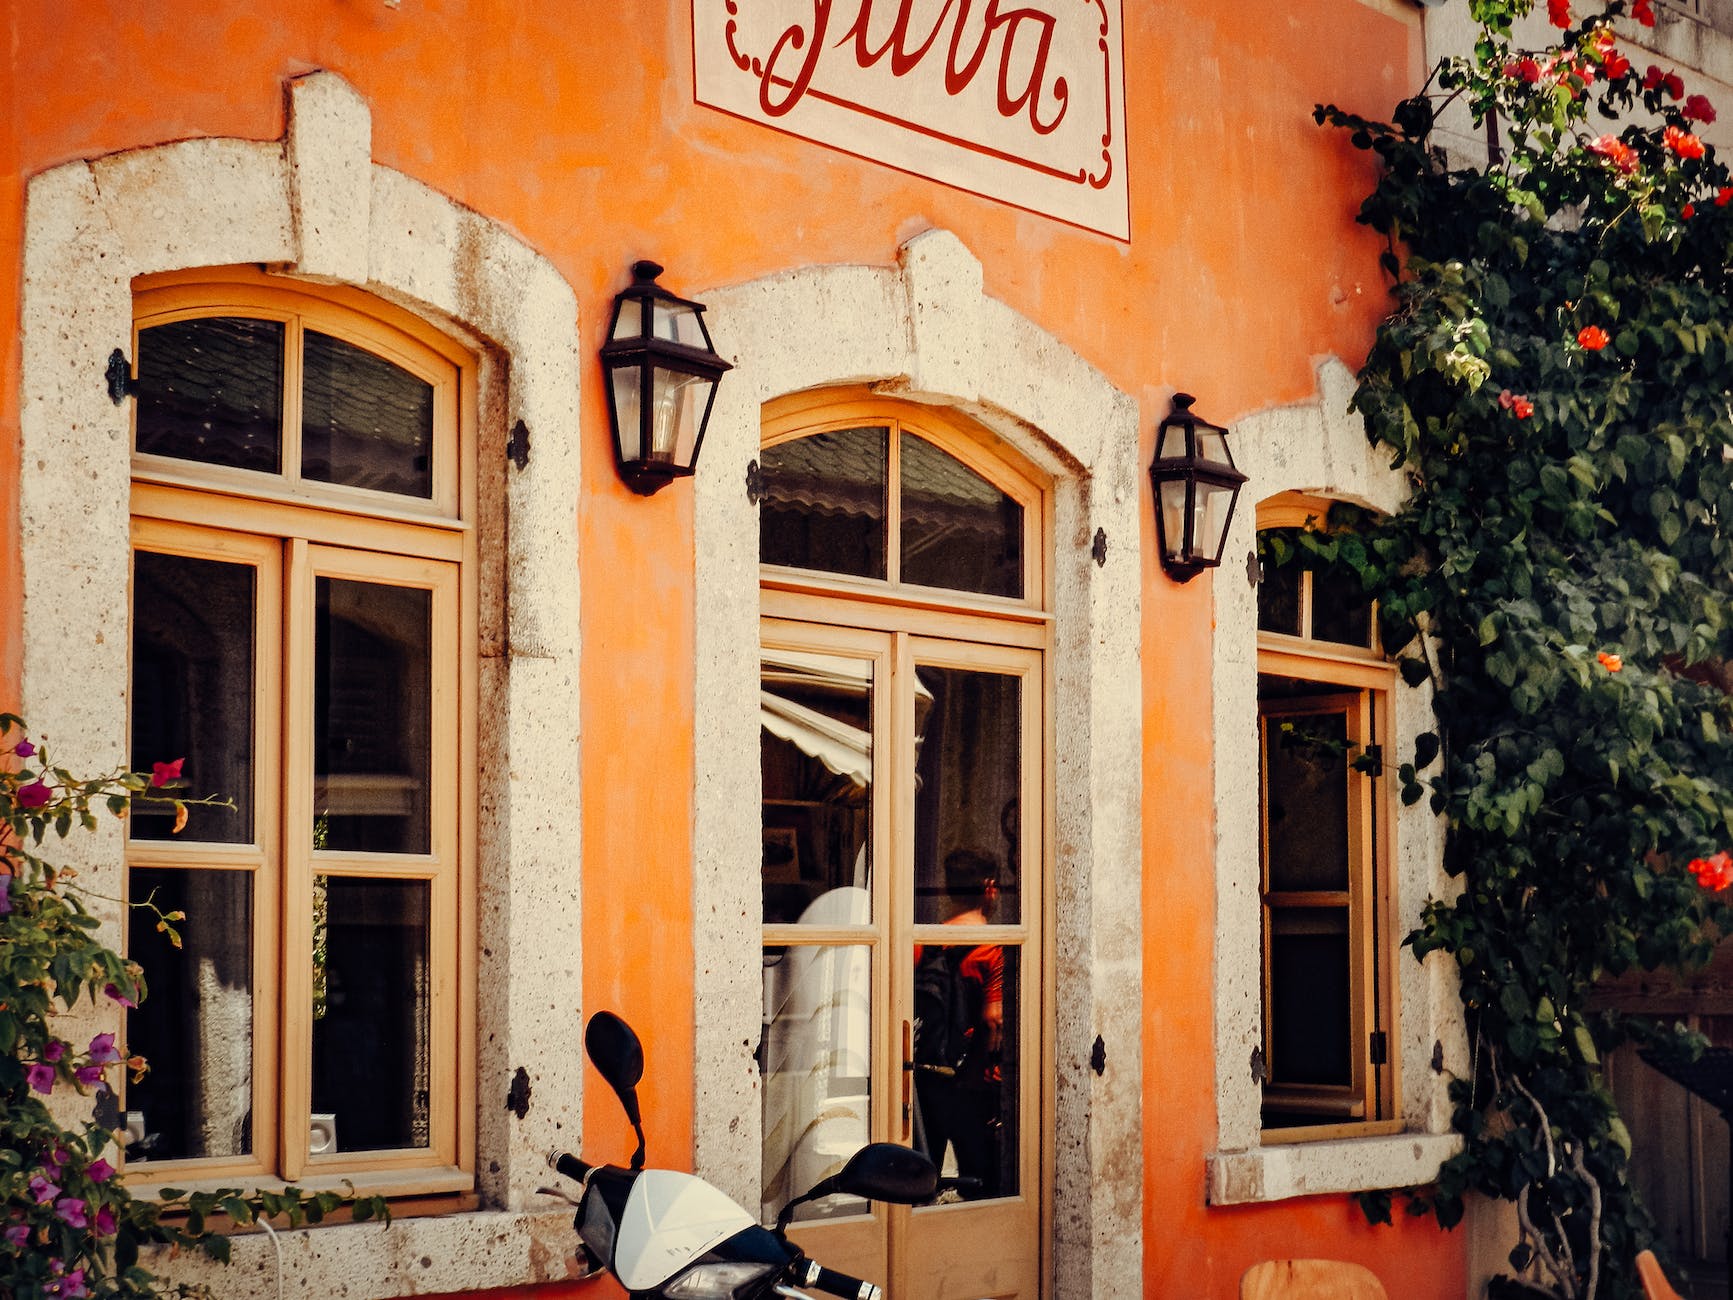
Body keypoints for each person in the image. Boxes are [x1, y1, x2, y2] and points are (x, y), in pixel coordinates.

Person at [912, 848, 1005, 1199]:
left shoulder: (925, 940)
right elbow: (992, 1019)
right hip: (972, 1083)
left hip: (927, 1077)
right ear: (990, 887)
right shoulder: (993, 946)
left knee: (921, 1180)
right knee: (980, 1182)